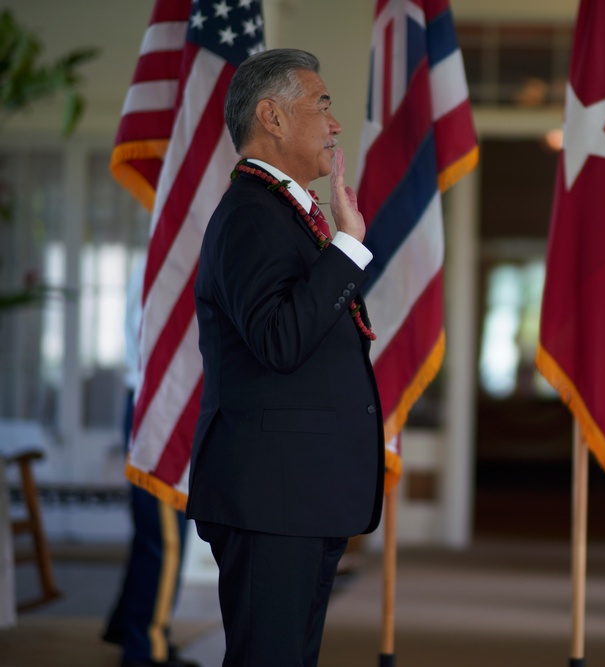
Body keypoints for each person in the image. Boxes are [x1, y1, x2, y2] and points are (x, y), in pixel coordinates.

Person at [187, 48, 384, 667]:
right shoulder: (251, 213)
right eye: (322, 104)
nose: (336, 124)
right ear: (271, 116)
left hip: (295, 494)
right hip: (271, 497)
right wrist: (348, 247)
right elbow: (279, 339)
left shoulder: (280, 211)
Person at [102, 257, 199, 667]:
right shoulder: (171, 255)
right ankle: (145, 647)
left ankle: (131, 625)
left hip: (157, 404)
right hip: (159, 406)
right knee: (163, 537)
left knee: (155, 532)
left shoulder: (167, 251)